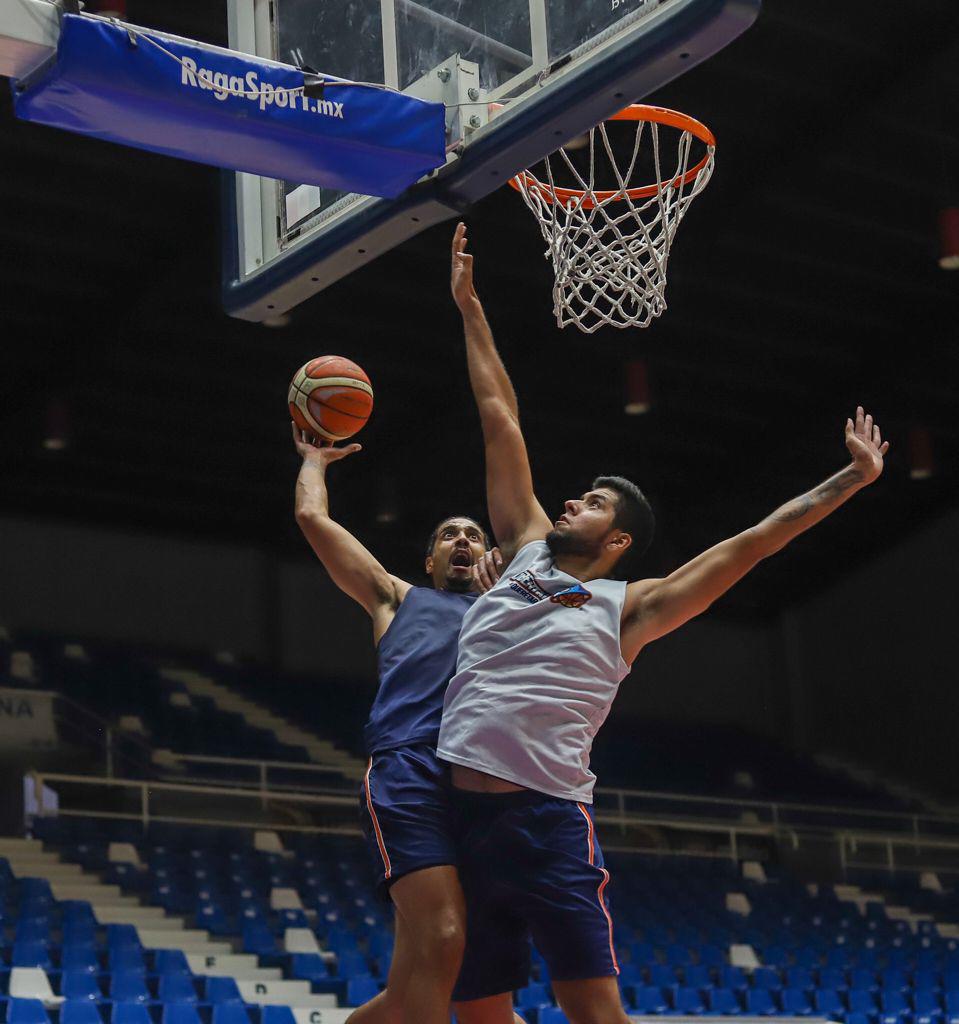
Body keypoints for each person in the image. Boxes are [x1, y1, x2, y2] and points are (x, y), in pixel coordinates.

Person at [439, 222, 890, 1024]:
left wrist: (848, 482)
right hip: (462, 817)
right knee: (476, 1014)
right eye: (575, 494)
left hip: (547, 820)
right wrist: (471, 308)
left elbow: (754, 543)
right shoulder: (523, 551)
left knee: (595, 1013)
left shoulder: (631, 606)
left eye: (593, 503)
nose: (571, 500)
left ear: (616, 541)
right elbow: (499, 416)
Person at [292, 426, 518, 1024]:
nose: (463, 540)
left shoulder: (518, 620)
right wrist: (314, 461)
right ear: (430, 560)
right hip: (410, 769)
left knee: (465, 988)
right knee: (444, 941)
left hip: (486, 785)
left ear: (492, 556)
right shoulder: (397, 598)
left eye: (474, 534)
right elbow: (314, 520)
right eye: (449, 535)